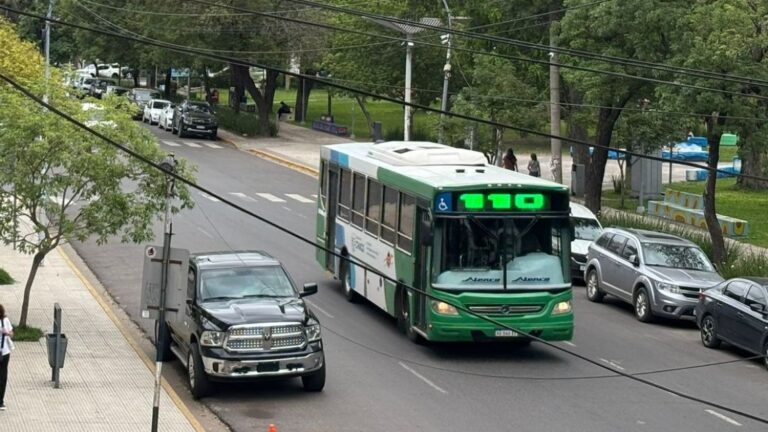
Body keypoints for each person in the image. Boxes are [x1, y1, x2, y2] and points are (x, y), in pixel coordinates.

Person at [0, 304, 13, 411]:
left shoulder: (5, 321)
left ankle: (0, 401)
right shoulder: (5, 320)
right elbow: (12, 334)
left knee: (3, 376)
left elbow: (11, 333)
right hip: (4, 352)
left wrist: (7, 333)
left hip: (4, 352)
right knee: (2, 376)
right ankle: (0, 401)